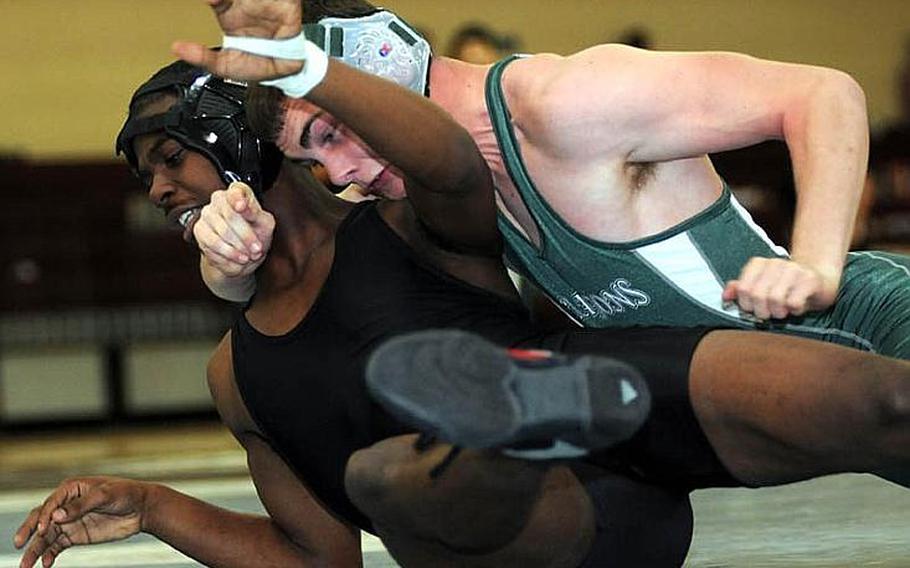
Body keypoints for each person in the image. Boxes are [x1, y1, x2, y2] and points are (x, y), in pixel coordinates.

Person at [17, 33, 910, 568]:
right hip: (545, 536)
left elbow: (444, 155)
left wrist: (306, 64)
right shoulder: (236, 373)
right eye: (145, 177)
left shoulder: (402, 216)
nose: (160, 189)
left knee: (886, 404)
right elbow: (315, 560)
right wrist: (151, 507)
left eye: (170, 159)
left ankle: (518, 414)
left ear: (234, 144)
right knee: (384, 479)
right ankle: (501, 432)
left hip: (639, 420)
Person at [181, 0, 910, 360]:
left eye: (333, 133)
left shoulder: (563, 105)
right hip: (772, 393)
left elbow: (824, 94)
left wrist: (816, 265)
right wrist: (230, 264)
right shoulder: (440, 193)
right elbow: (307, 280)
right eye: (315, 163)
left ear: (382, 69)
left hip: (860, 328)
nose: (341, 176)